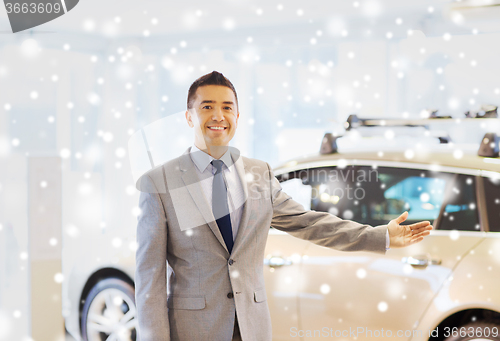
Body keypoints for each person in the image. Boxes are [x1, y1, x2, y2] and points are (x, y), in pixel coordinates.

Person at [134, 71, 433, 341]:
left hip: (252, 328)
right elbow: (149, 280)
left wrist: (379, 235)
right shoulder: (159, 183)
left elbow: (309, 223)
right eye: (207, 106)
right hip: (193, 331)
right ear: (189, 117)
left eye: (227, 107)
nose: (218, 115)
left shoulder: (258, 174)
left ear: (237, 116)